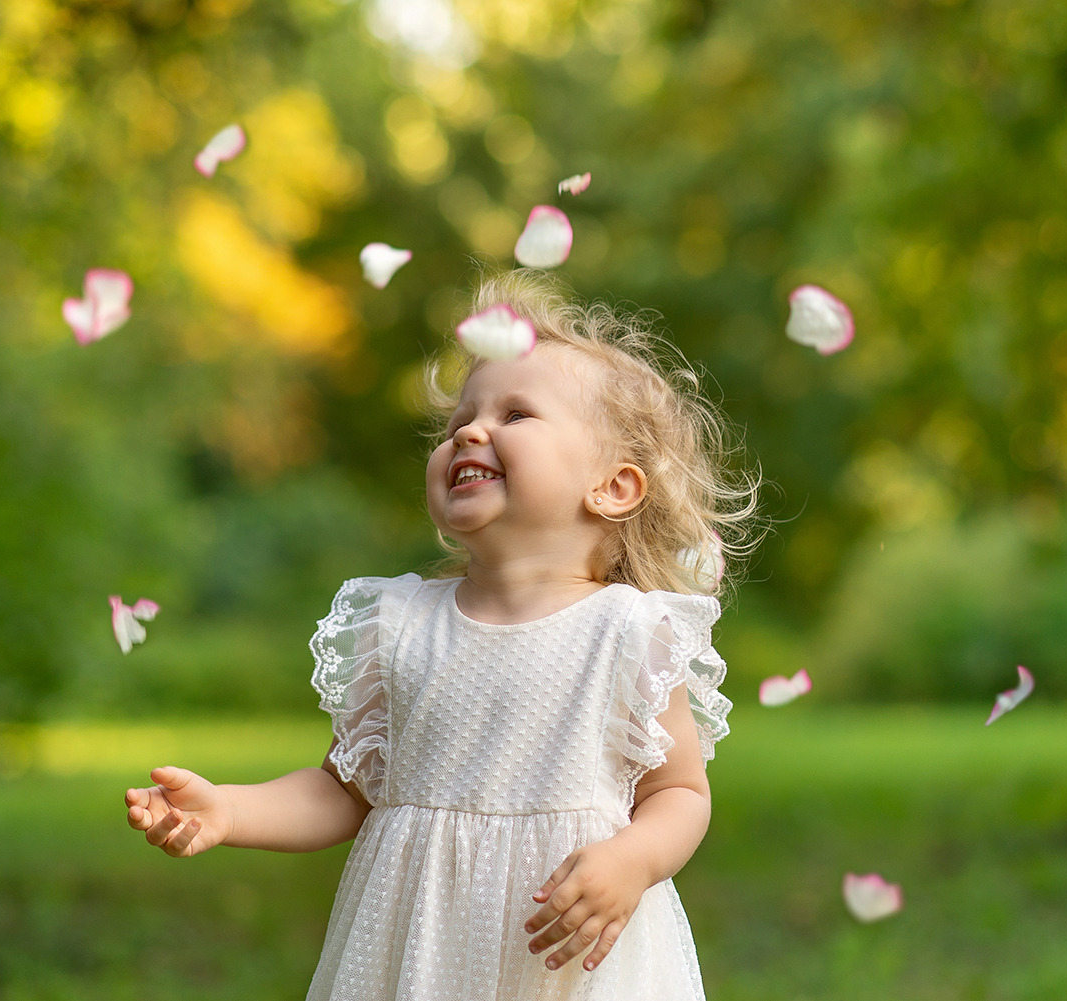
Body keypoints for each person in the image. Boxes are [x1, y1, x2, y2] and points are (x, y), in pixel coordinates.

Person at [124, 269, 762, 1000]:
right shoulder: (400, 627)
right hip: (418, 951)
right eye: (462, 416)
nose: (469, 429)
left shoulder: (626, 632)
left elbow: (680, 790)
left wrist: (635, 861)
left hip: (561, 959)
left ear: (613, 486)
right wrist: (232, 808)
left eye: (515, 415)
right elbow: (344, 790)